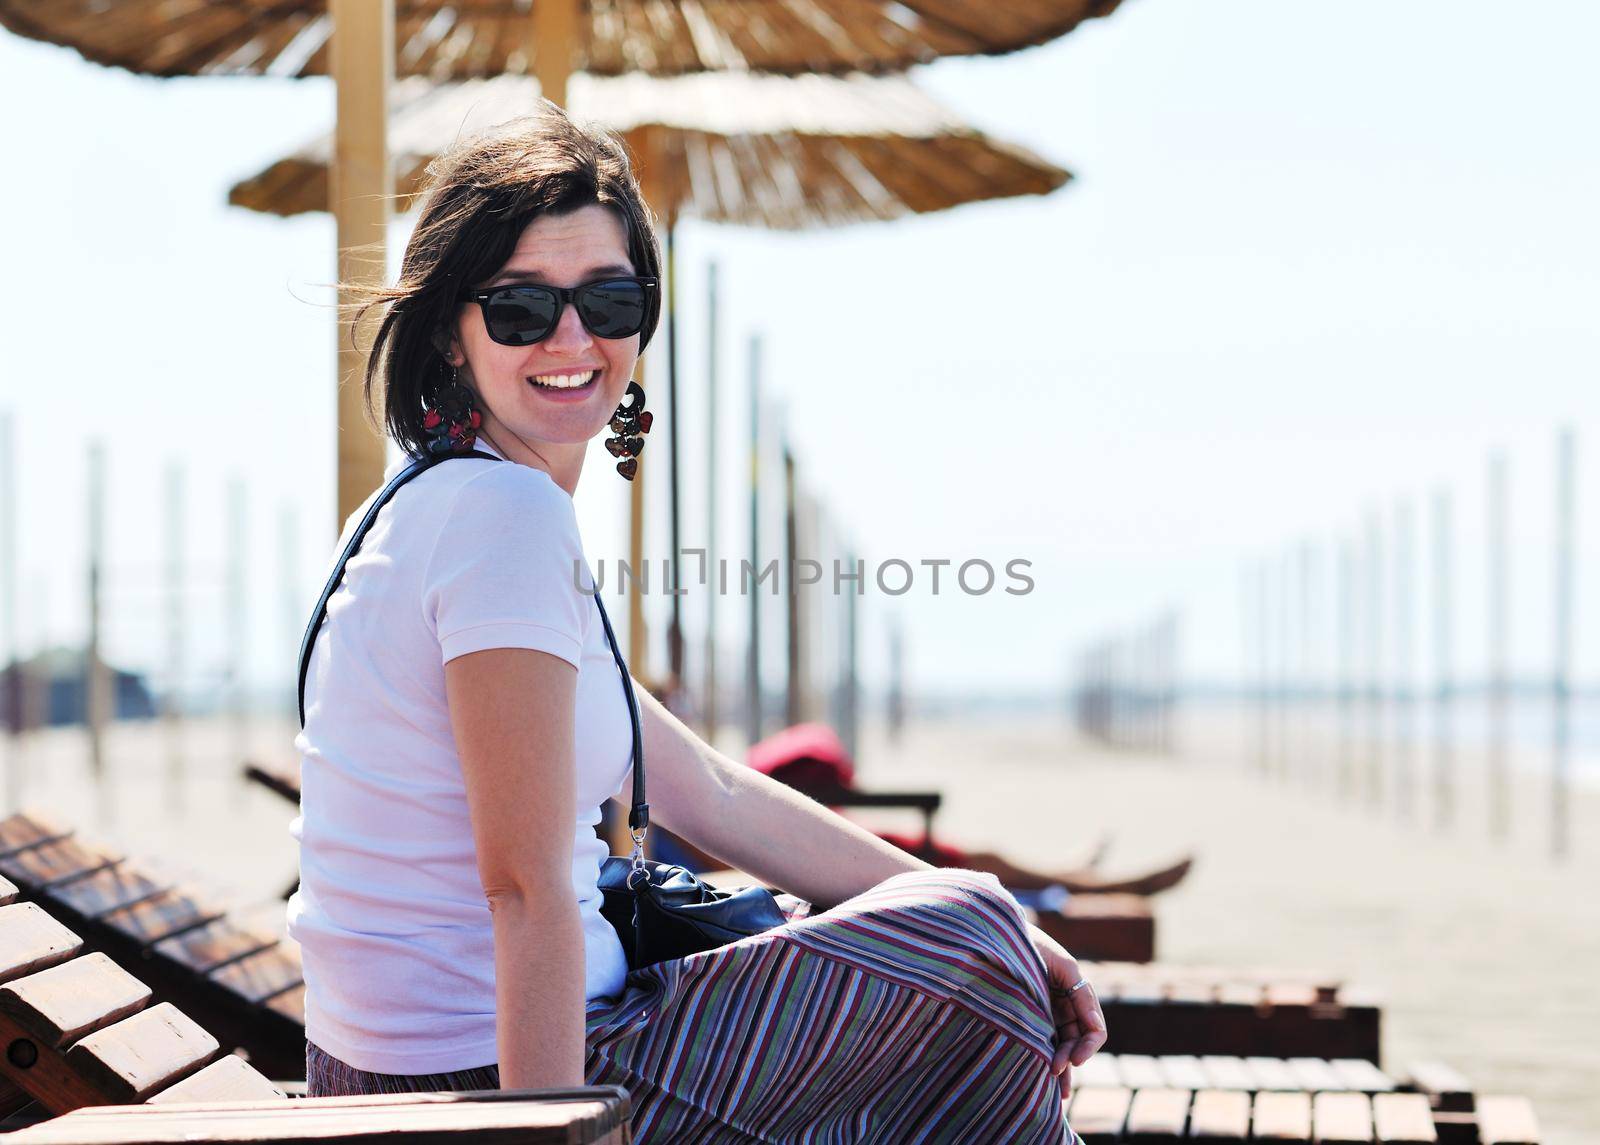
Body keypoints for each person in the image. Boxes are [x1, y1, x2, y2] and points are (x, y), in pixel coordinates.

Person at [288, 103, 1104, 1143]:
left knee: (969, 920)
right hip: (495, 1076)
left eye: (609, 299)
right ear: (453, 327)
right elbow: (526, 888)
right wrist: (546, 1134)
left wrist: (983, 899)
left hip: (435, 1060)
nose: (573, 338)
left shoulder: (429, 504)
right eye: (522, 308)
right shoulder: (504, 517)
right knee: (969, 958)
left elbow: (703, 787)